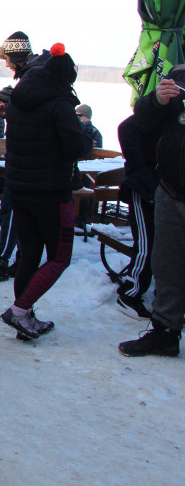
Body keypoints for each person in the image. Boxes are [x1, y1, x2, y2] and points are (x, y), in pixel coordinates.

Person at [0, 43, 93, 339]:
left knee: (29, 256)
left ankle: (24, 318)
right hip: (52, 193)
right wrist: (86, 137)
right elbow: (75, 147)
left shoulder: (18, 100)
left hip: (20, 189)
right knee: (59, 258)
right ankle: (20, 311)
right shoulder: (60, 104)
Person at [0, 31, 48, 284]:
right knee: (22, 211)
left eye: (7, 59)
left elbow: (33, 117)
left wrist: (9, 110)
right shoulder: (40, 75)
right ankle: (22, 259)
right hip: (32, 157)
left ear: (15, 57)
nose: (6, 65)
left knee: (11, 207)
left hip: (26, 157)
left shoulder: (33, 78)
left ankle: (1, 260)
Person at [118, 70, 185, 357]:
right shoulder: (178, 78)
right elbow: (136, 122)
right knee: (166, 264)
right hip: (170, 189)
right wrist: (157, 100)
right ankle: (165, 333)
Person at [113, 113, 157, 320]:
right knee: (147, 244)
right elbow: (126, 128)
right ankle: (130, 294)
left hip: (168, 189)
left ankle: (165, 297)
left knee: (167, 246)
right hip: (144, 187)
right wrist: (142, 170)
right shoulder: (159, 108)